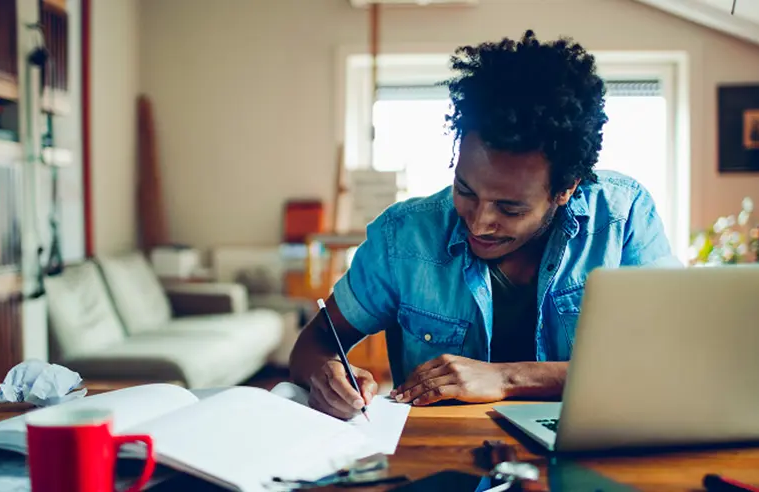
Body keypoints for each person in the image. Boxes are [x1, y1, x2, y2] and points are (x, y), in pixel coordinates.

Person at [289, 30, 679, 420]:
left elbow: (671, 362)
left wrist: (509, 377)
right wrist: (327, 373)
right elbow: (315, 342)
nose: (479, 222)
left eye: (510, 208)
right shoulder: (403, 237)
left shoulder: (622, 217)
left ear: (566, 189)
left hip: (587, 445)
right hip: (439, 452)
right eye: (465, 190)